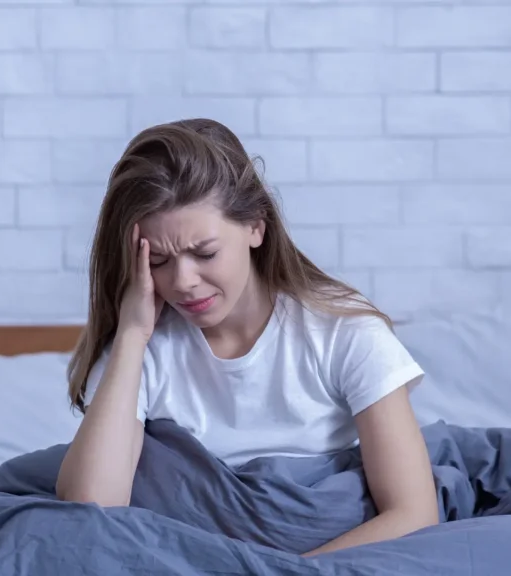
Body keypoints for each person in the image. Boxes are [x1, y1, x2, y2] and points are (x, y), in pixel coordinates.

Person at [55, 118, 438, 556]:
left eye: (205, 253)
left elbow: (413, 513)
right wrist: (130, 335)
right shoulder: (143, 347)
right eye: (157, 260)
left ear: (256, 227)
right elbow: (90, 508)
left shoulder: (344, 333)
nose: (183, 281)